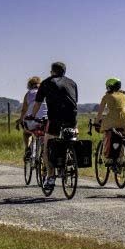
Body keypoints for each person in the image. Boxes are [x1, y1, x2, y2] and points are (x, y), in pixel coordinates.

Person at [30, 62, 78, 191]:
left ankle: (50, 177)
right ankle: (69, 159)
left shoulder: (46, 83)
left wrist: (32, 116)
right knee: (70, 138)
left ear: (52, 71)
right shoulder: (72, 83)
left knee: (47, 145)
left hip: (55, 118)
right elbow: (74, 102)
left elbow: (38, 103)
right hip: (72, 118)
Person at [95, 78, 125, 161]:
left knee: (106, 134)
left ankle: (108, 158)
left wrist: (96, 122)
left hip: (111, 121)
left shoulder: (106, 96)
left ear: (109, 87)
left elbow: (100, 112)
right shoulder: (124, 96)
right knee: (123, 137)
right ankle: (121, 160)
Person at [16, 76, 48, 160]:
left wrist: (20, 120)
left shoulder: (28, 94)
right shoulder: (47, 92)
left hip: (32, 121)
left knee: (27, 133)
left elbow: (24, 110)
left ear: (29, 85)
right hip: (45, 121)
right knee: (46, 135)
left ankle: (28, 149)